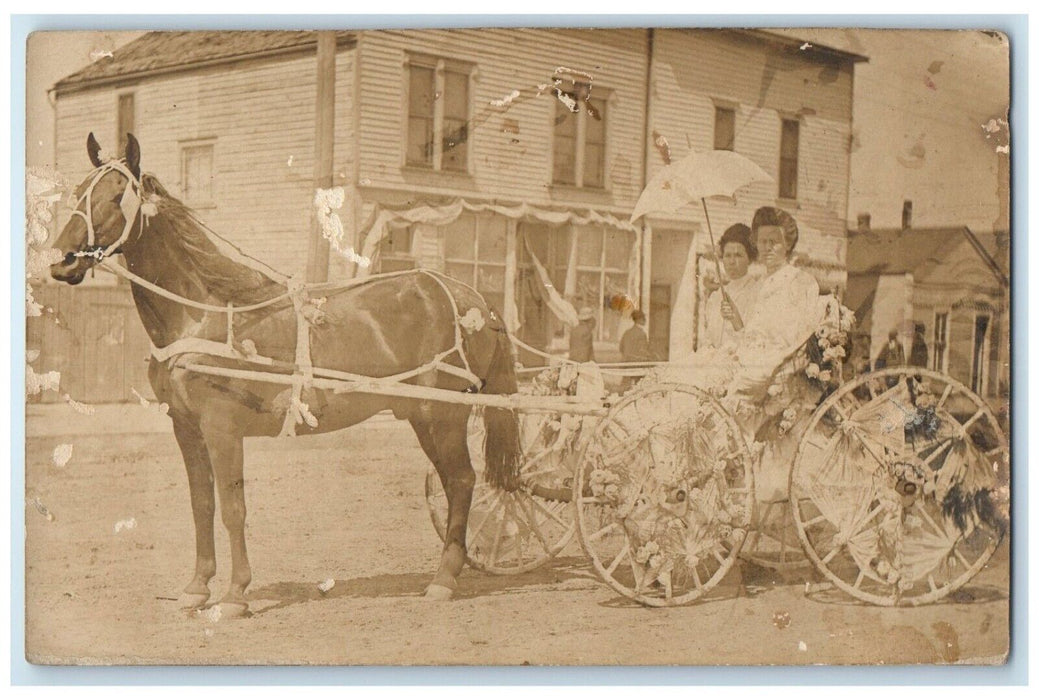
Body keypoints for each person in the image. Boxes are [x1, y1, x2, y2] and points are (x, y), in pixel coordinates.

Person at [702, 223, 761, 350]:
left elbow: (756, 345)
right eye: (727, 255)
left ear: (750, 259)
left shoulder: (757, 294)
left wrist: (736, 321)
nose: (732, 261)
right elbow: (708, 340)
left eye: (738, 255)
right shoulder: (716, 297)